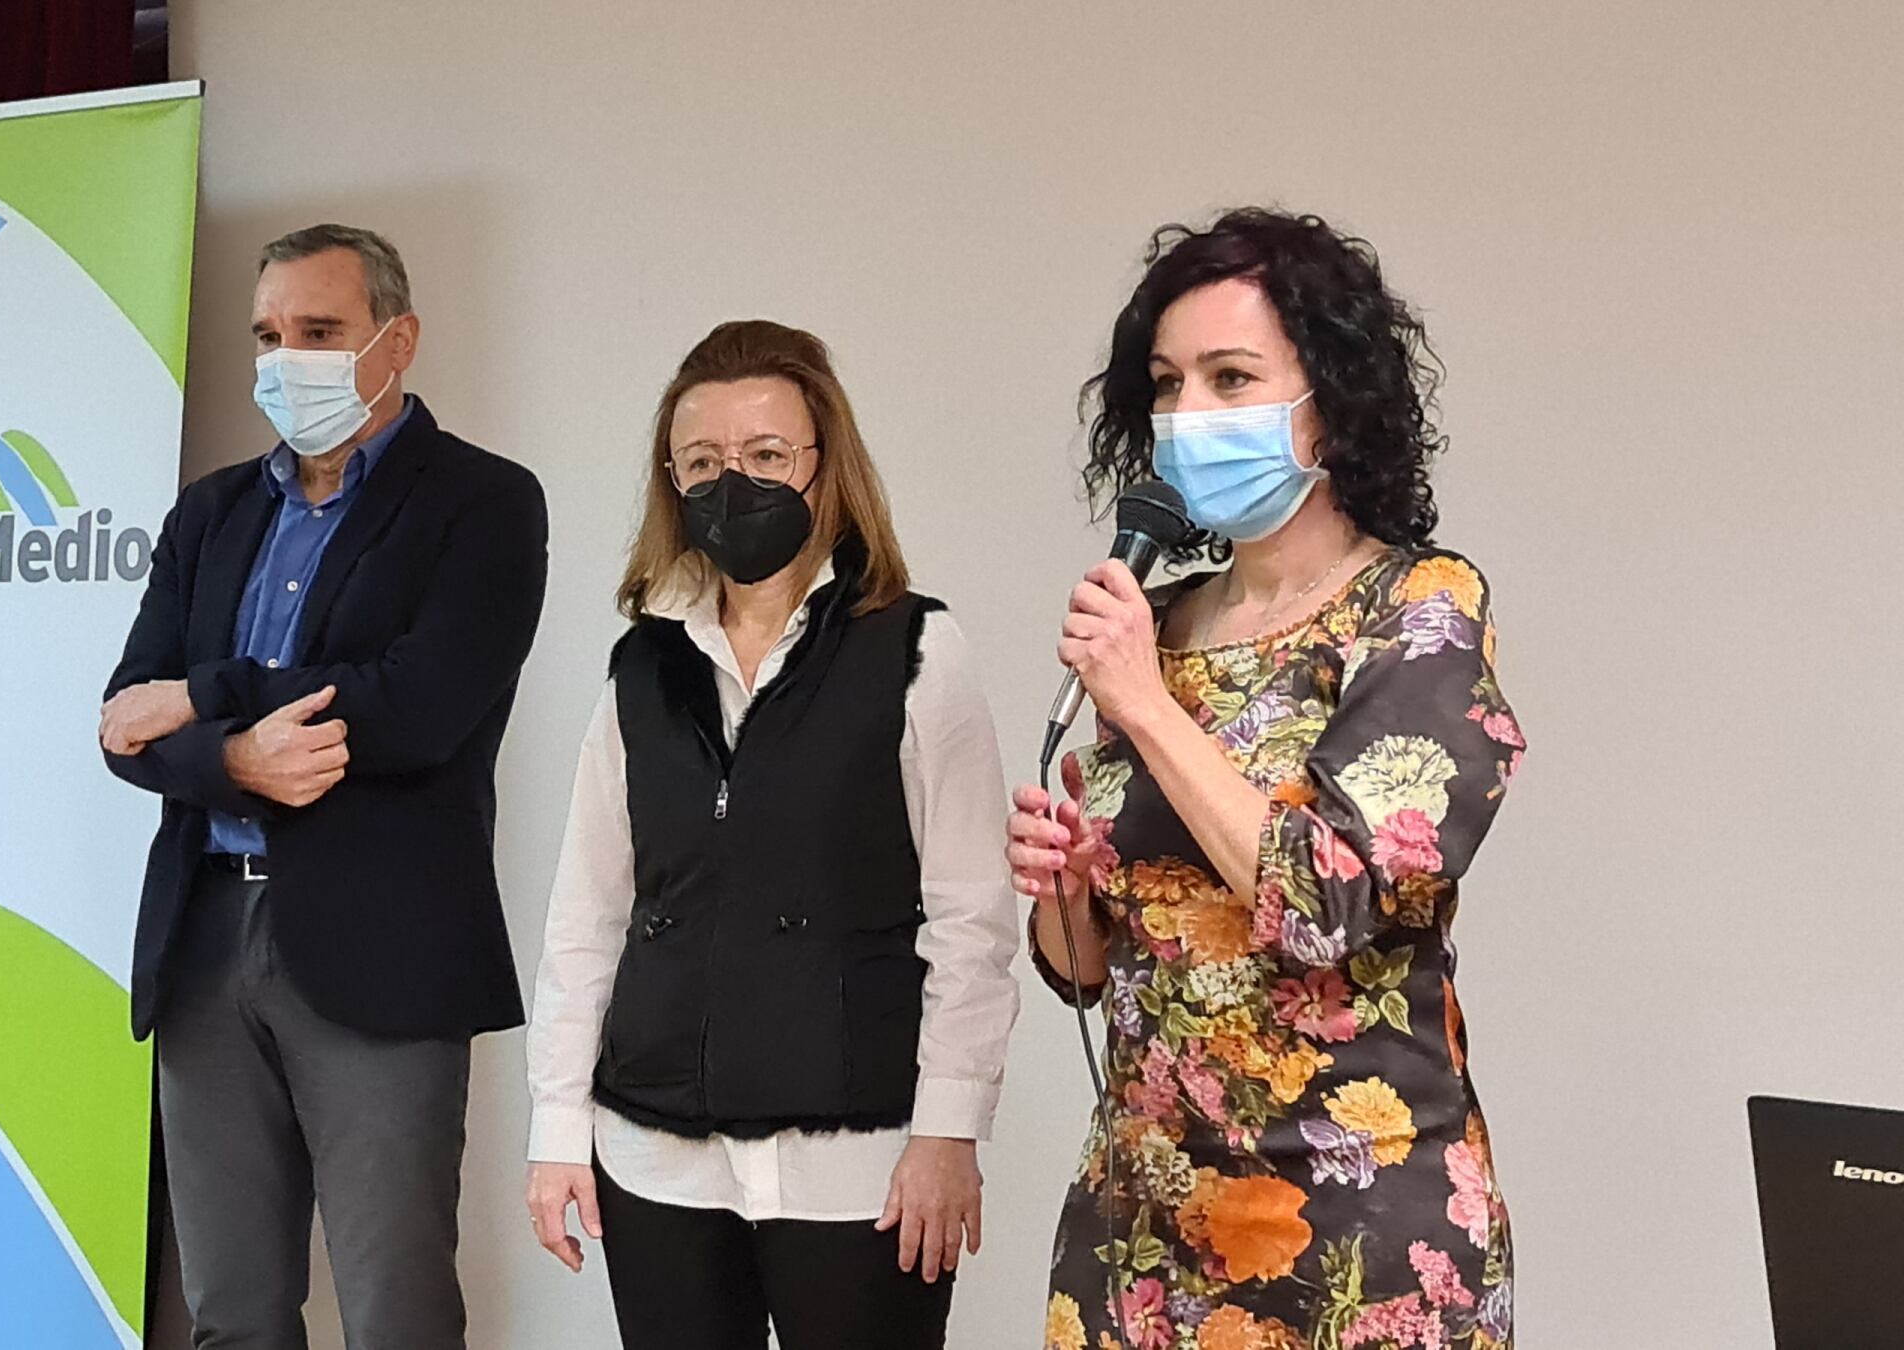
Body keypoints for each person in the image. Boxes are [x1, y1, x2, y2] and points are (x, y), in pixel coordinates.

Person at [1012, 209, 1525, 1349]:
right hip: (1142, 1226)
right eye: (1167, 383)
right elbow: (1088, 971)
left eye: (1231, 378)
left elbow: (1330, 905)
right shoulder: (1155, 626)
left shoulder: (1420, 611)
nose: (1189, 414)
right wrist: (1068, 884)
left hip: (1356, 1226)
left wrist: (1146, 706)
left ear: (1331, 402)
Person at [521, 320, 1021, 1349]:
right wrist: (557, 1126)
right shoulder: (642, 670)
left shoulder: (917, 649)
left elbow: (972, 917)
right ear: (671, 480)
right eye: (703, 462)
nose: (732, 484)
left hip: (860, 1159)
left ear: (824, 468)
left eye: (765, 456)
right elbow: (589, 913)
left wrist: (950, 1128)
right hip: (655, 1152)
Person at [99, 223, 547, 1349]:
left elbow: (417, 705)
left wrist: (208, 696)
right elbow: (123, 722)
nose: (284, 359)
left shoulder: (485, 500)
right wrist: (234, 758)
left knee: (395, 1311)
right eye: (267, 335)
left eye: (318, 330)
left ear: (398, 341)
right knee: (231, 1312)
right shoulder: (210, 512)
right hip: (204, 939)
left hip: (381, 947)